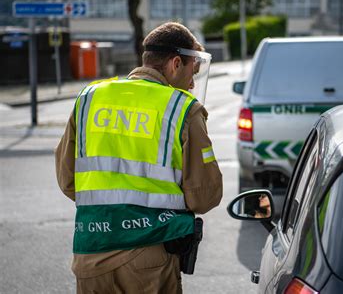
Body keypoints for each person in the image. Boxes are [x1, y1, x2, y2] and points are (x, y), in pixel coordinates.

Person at [55, 22, 223, 294]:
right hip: (150, 257)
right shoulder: (183, 109)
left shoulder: (89, 98)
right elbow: (203, 197)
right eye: (192, 71)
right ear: (175, 63)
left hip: (90, 254)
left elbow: (67, 180)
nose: (192, 83)